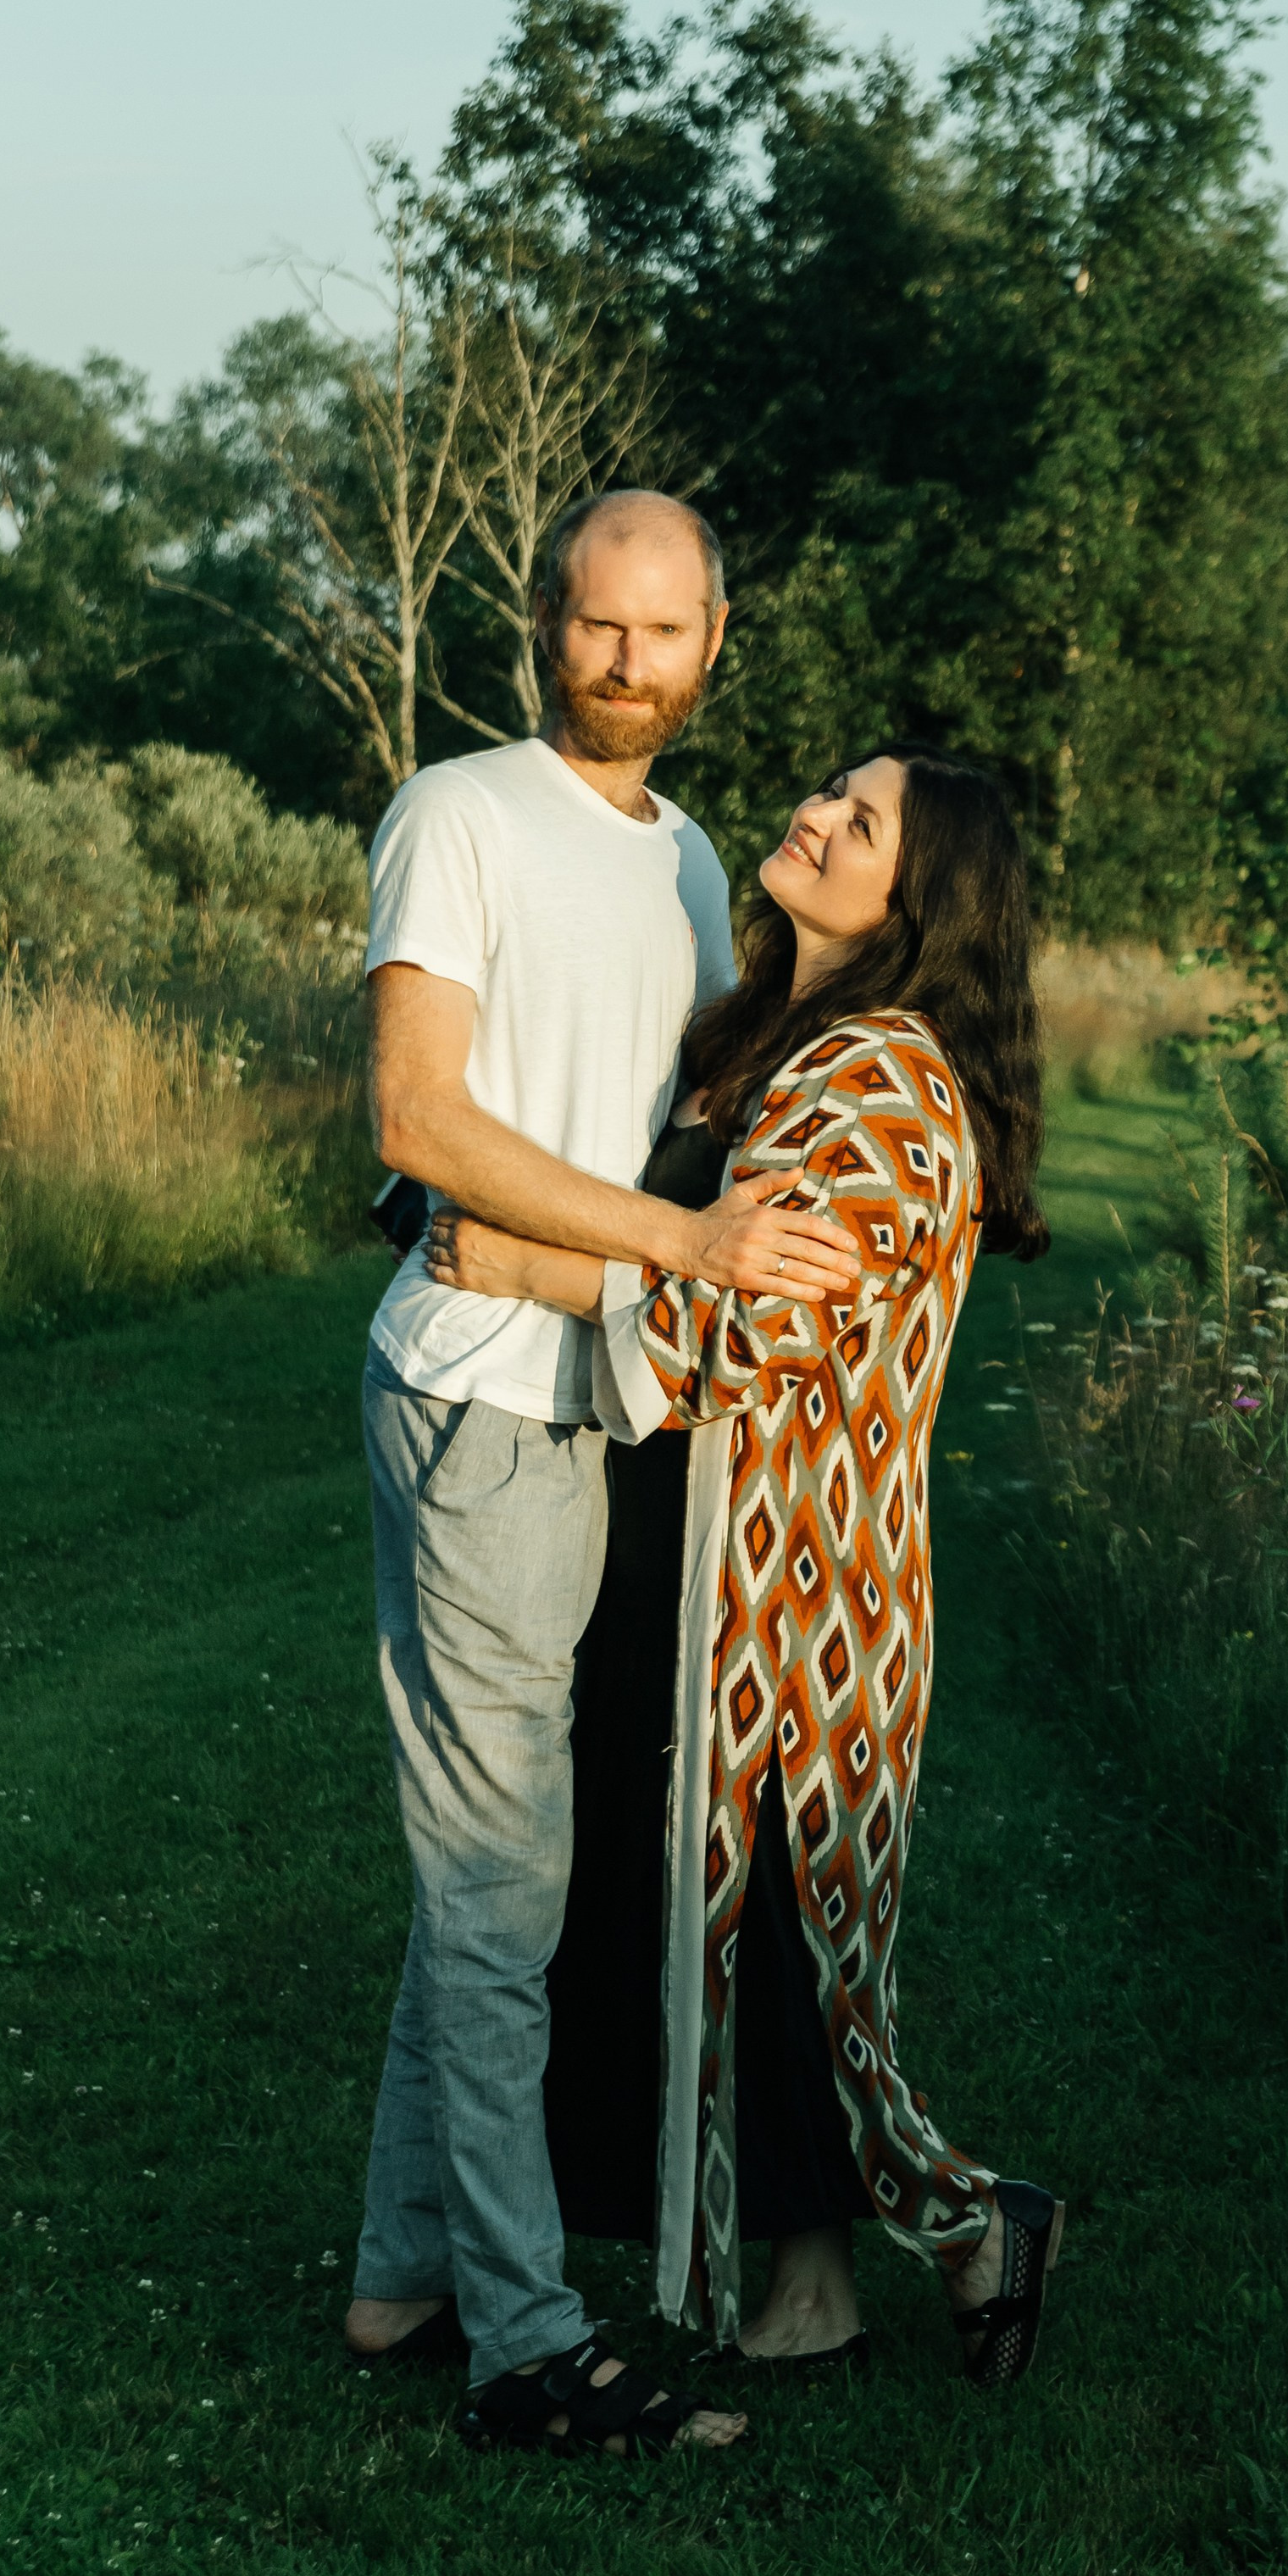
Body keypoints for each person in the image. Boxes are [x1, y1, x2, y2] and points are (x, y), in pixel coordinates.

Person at [427, 745, 1069, 2389]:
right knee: (751, 1937)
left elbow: (746, 1329)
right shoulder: (785, 1037)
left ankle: (969, 2217)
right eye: (833, 793)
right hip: (722, 1555)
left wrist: (522, 1261)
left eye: (863, 827)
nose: (818, 818)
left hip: (796, 1592)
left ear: (916, 900)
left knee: (789, 1950)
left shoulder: (882, 1079)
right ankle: (809, 2293)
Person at [344, 488, 859, 2459]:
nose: (622, 664)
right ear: (544, 624)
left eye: (661, 630)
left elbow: (688, 1139)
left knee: (486, 1862)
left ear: (714, 636)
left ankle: (402, 2272)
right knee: (500, 1892)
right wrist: (680, 1256)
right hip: (480, 1395)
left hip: (598, 1399)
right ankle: (525, 2347)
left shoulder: (700, 857)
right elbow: (416, 1117)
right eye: (591, 625)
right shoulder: (460, 814)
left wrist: (688, 1254)